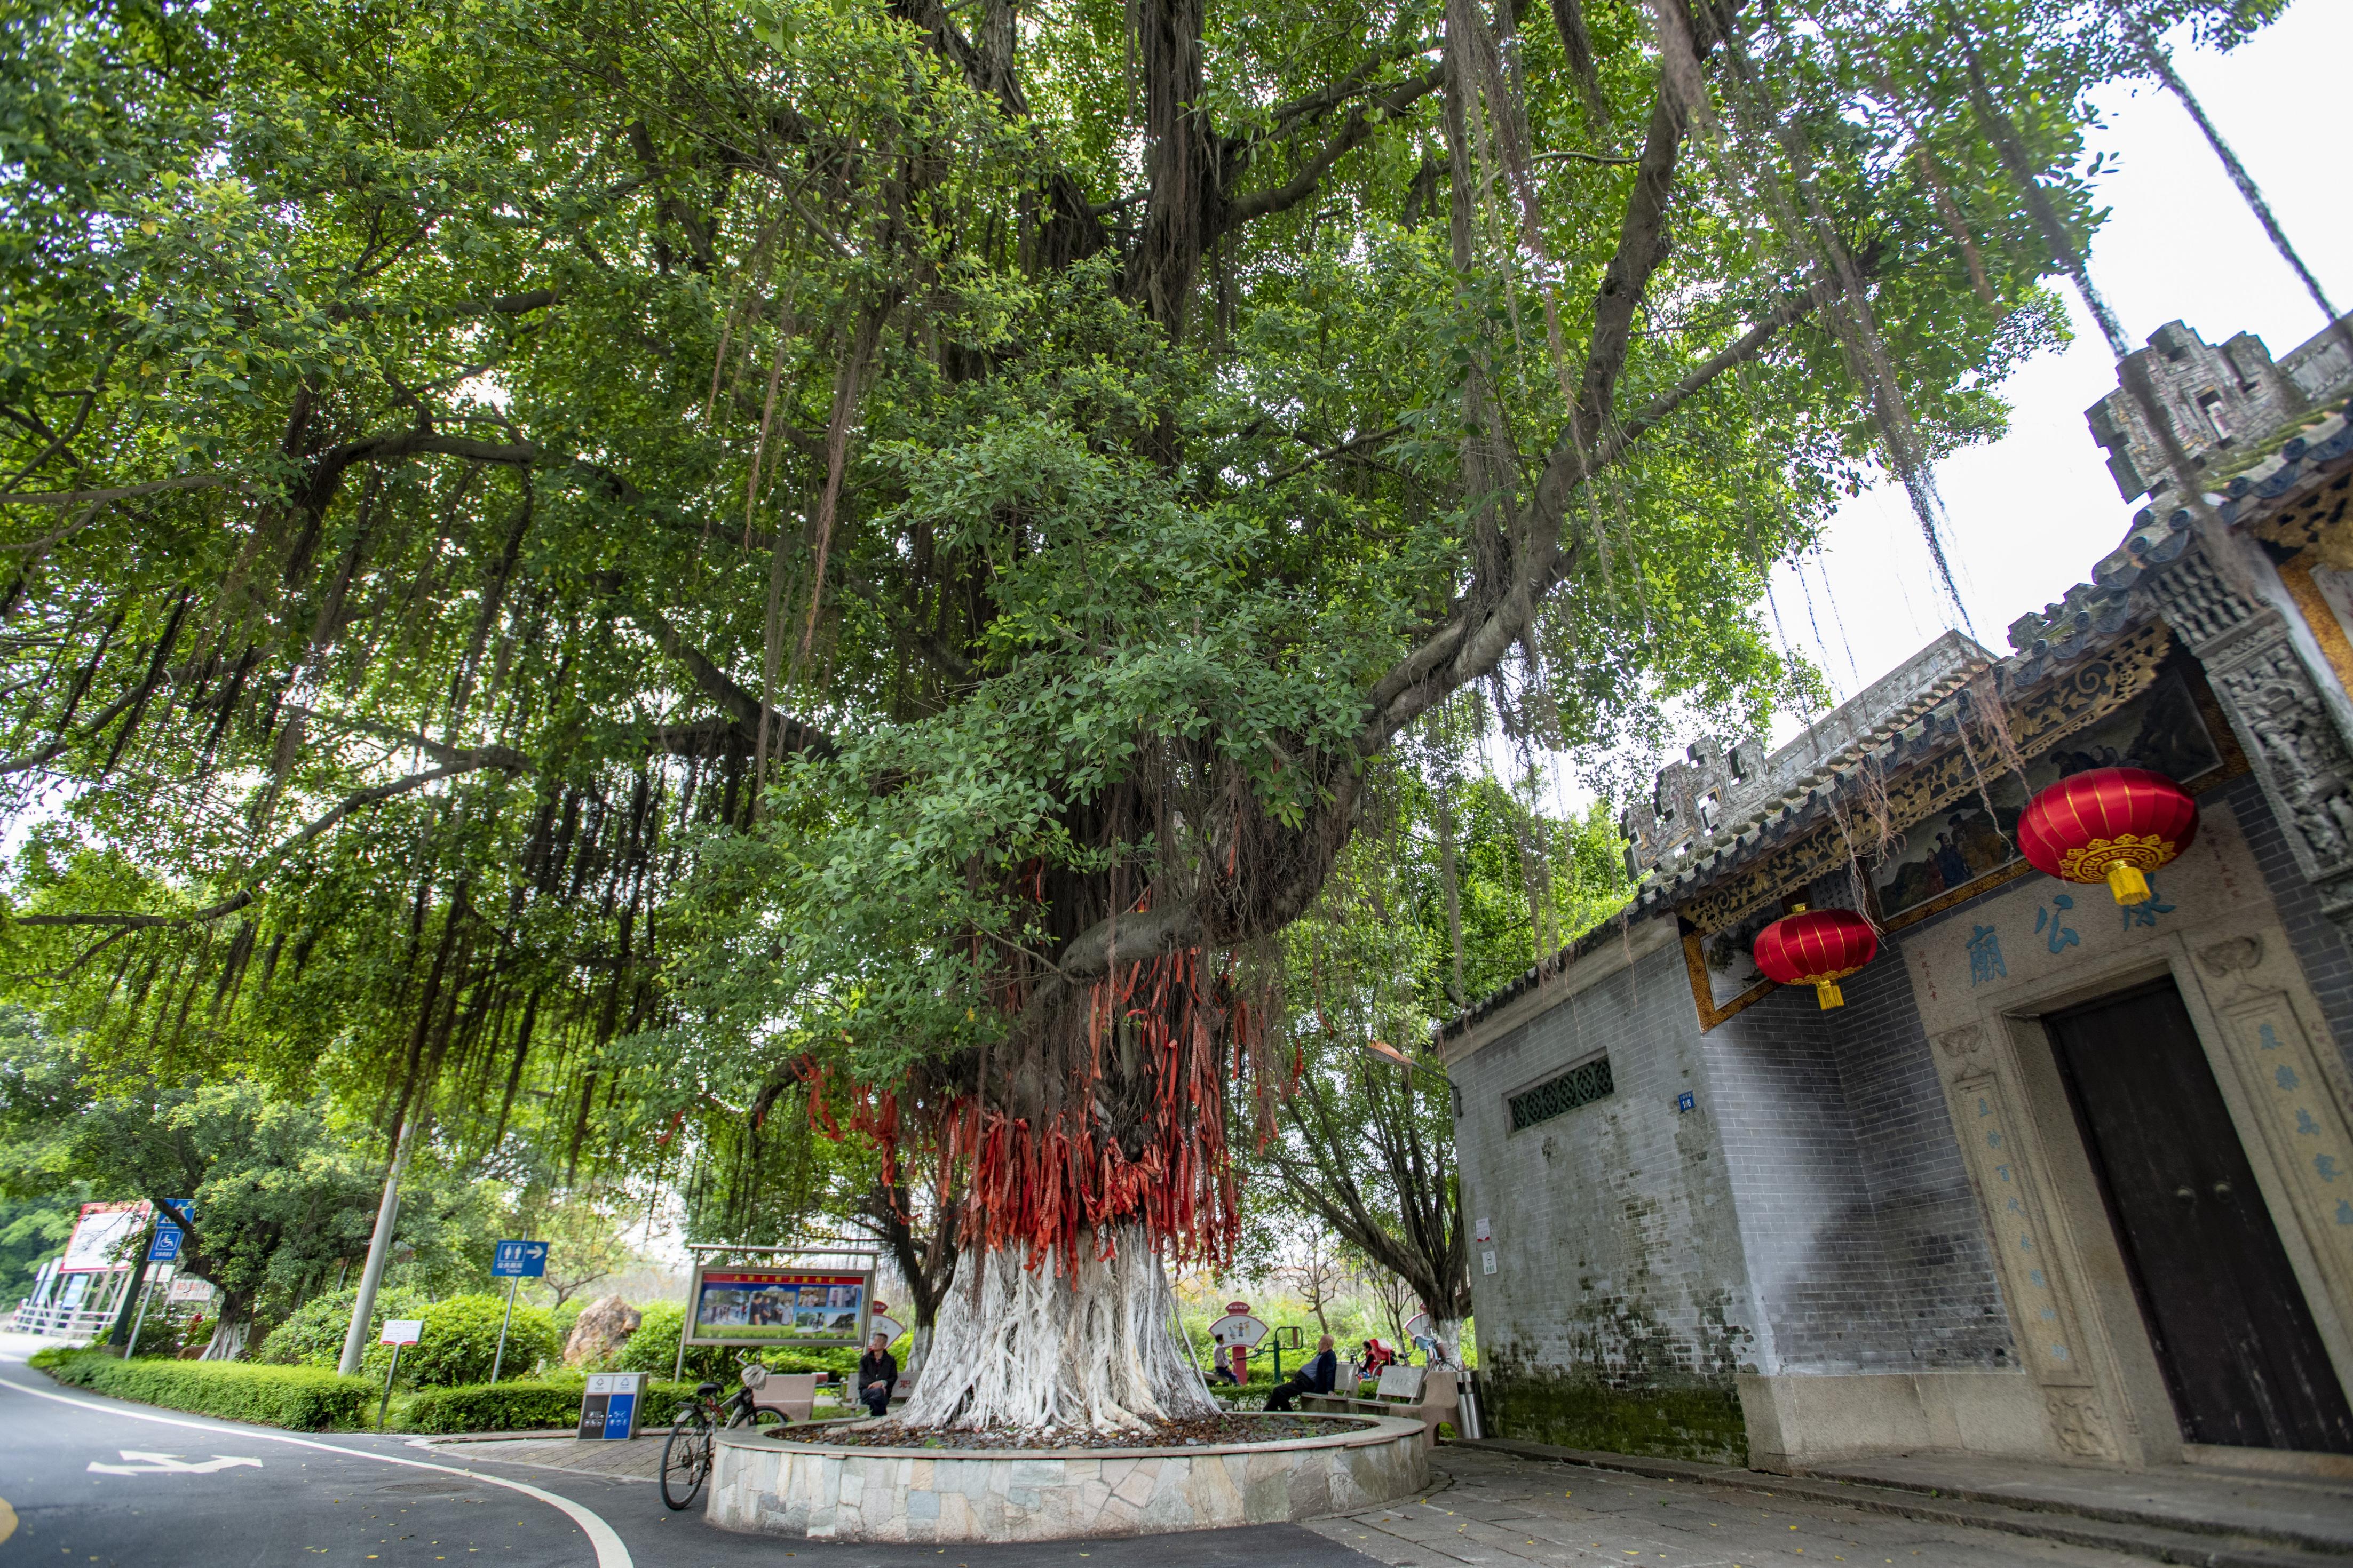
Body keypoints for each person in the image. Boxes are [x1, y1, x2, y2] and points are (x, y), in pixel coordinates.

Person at [1263, 1333, 1337, 1412]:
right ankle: (1265, 1415)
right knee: (1279, 1392)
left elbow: (1330, 1372)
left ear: (1326, 1344)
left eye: (1321, 1341)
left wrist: (1330, 1390)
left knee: (1279, 1391)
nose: (1319, 1343)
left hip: (1307, 1383)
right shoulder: (1322, 1354)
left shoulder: (1330, 1355)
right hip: (1302, 1381)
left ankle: (1289, 1415)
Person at [857, 1331, 898, 1419]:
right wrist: (876, 1385)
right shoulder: (865, 1359)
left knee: (877, 1398)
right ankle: (882, 1419)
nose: (875, 1343)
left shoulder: (890, 1360)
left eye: (878, 1341)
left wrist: (883, 1383)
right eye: (874, 1341)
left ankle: (876, 1419)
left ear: (884, 1345)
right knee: (879, 1392)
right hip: (867, 1392)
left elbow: (893, 1377)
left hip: (884, 1393)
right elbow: (862, 1376)